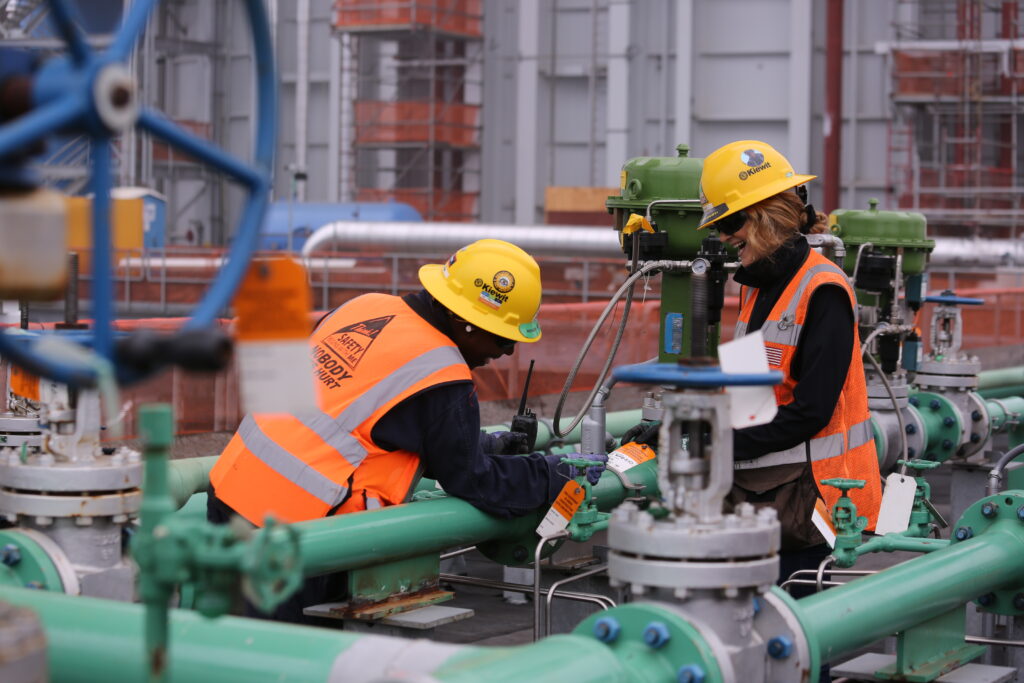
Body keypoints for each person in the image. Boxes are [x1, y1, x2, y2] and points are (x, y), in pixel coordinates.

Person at [207, 238, 605, 622]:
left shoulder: (365, 307)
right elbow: (473, 481)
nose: (506, 352)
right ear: (464, 321)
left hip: (231, 494)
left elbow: (358, 421)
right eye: (501, 336)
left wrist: (488, 445)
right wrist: (550, 473)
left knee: (228, 652)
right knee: (285, 664)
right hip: (299, 538)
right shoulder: (441, 373)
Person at [697, 139, 882, 580]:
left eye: (732, 222)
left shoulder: (824, 289)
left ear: (765, 216)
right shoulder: (754, 286)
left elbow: (811, 412)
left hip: (815, 497)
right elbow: (750, 398)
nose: (724, 237)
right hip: (762, 496)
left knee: (790, 635)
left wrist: (715, 445)